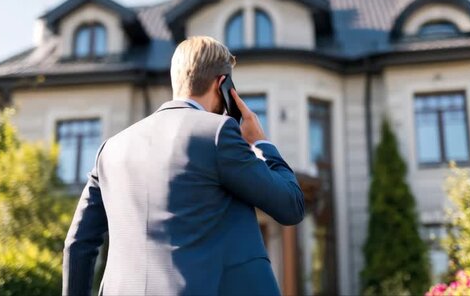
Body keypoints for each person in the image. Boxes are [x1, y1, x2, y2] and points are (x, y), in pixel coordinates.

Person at [62, 36, 305, 296]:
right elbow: (290, 206)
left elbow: (78, 244)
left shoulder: (110, 150)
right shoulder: (218, 133)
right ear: (223, 84)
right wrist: (261, 143)